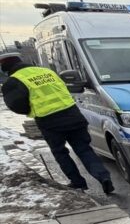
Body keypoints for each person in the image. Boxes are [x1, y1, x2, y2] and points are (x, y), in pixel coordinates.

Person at [0, 54, 114, 194]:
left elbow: (16, 105)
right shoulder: (46, 72)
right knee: (84, 149)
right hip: (73, 115)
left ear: (5, 67)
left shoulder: (14, 81)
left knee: (61, 153)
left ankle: (78, 183)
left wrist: (31, 109)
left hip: (49, 121)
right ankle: (103, 177)